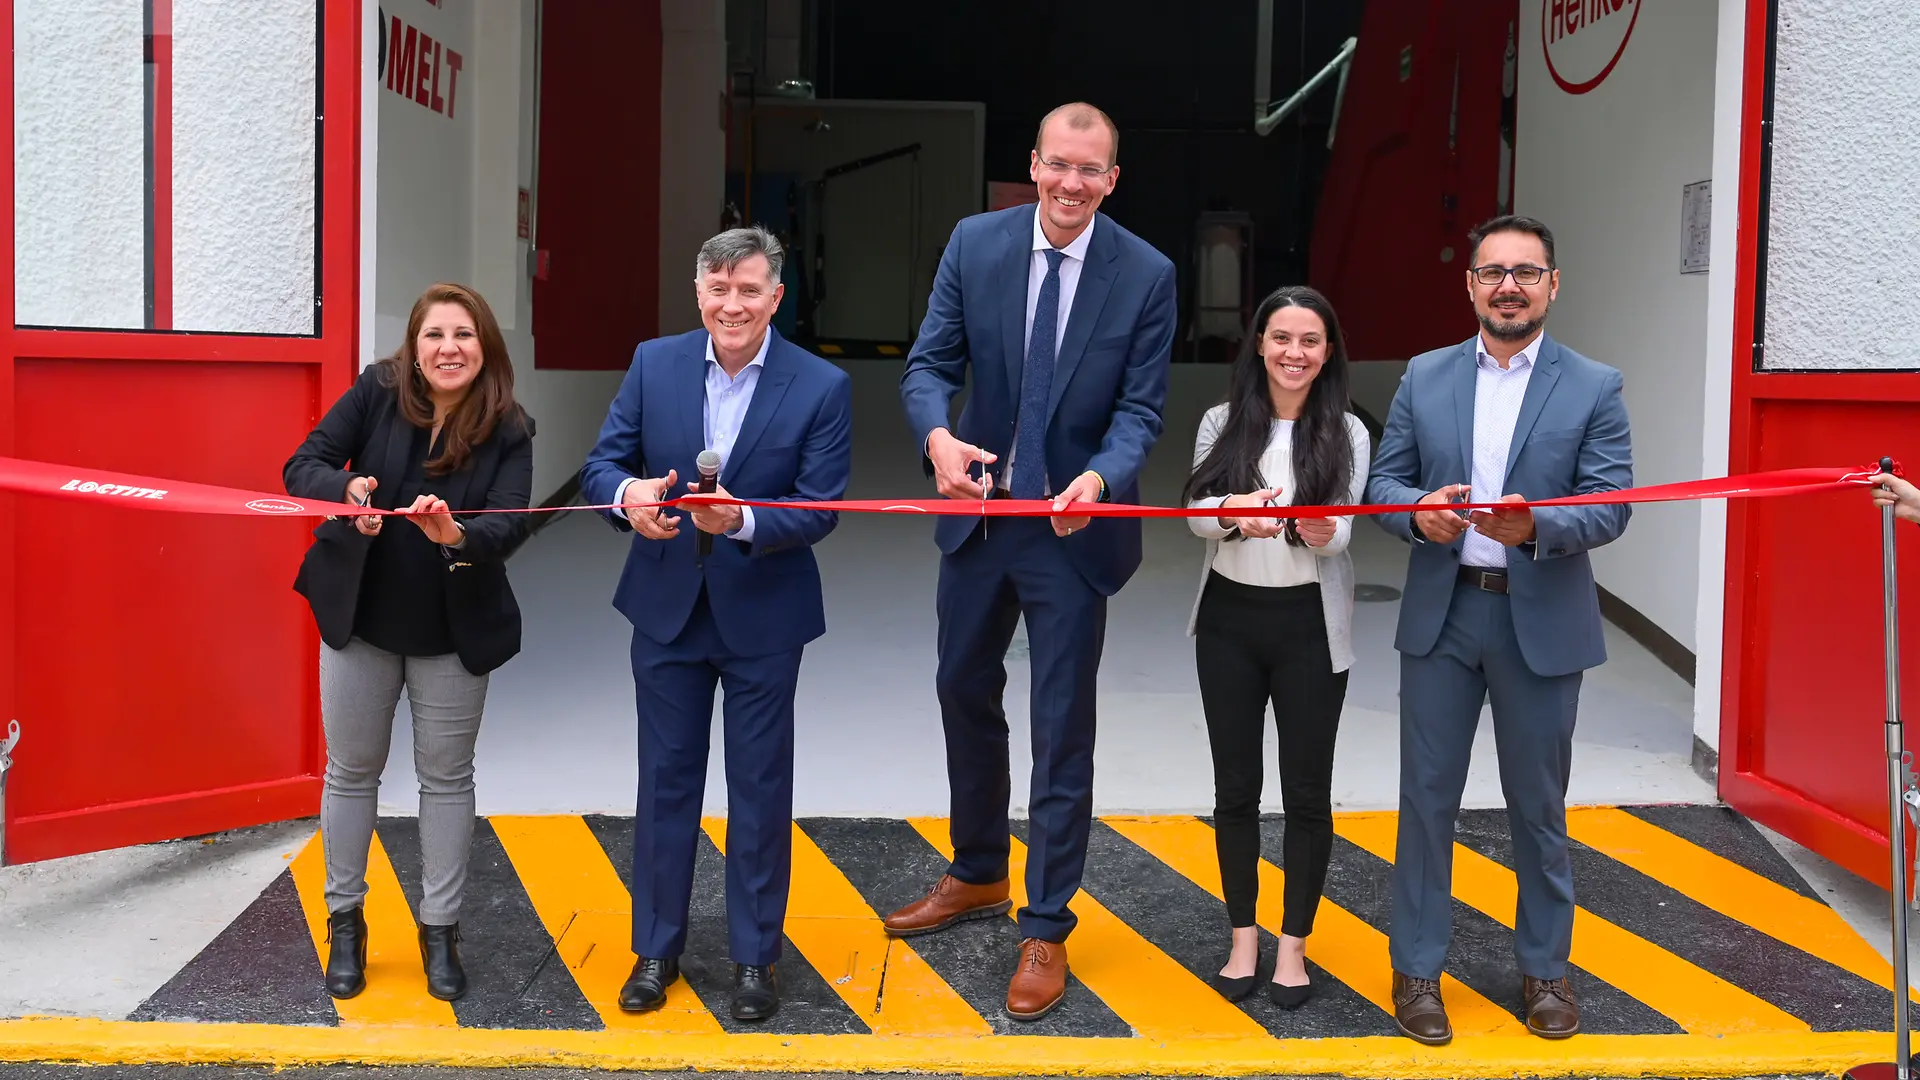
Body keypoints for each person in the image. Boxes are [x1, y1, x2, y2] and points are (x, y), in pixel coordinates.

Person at [889, 101, 1176, 1021]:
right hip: (979, 515)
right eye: (1057, 165)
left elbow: (1142, 410)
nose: (1069, 184)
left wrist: (1102, 475)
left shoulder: (1147, 274)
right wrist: (936, 438)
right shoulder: (977, 244)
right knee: (961, 689)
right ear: (1035, 163)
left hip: (1071, 527)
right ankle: (977, 871)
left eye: (1089, 171)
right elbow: (927, 364)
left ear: (1112, 180)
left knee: (1061, 726)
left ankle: (1046, 925)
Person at [1366, 215, 1632, 1044]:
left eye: (1526, 271)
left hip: (1541, 620)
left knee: (1539, 807)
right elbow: (1384, 480)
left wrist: (1540, 530)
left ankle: (1545, 973)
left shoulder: (1593, 384)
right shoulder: (1425, 374)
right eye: (1493, 272)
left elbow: (1612, 499)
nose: (1508, 286)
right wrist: (1416, 516)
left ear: (1554, 285)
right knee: (1426, 803)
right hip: (1445, 613)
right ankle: (1416, 973)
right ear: (1471, 285)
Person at [579, 226, 853, 1023]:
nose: (732, 304)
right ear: (700, 293)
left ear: (776, 297)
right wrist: (630, 500)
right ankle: (655, 950)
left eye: (749, 290)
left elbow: (821, 507)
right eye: (718, 288)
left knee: (760, 790)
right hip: (665, 610)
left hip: (766, 614)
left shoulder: (821, 385)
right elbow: (603, 464)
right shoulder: (652, 363)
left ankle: (755, 959)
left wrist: (739, 522)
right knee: (665, 786)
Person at [283, 282, 535, 1003]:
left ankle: (440, 930)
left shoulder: (510, 426)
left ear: (484, 347)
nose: (449, 348)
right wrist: (351, 492)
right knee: (352, 772)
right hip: (361, 620)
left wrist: (456, 534)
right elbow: (302, 466)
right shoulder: (377, 391)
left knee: (447, 778)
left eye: (463, 335)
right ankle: (346, 923)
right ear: (414, 349)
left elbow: (510, 523)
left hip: (450, 631)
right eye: (435, 336)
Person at [1180, 285, 1370, 1008]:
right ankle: (1243, 940)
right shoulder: (1222, 422)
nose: (1295, 352)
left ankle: (1293, 948)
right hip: (1229, 622)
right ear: (1259, 343)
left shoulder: (1346, 430)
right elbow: (1197, 515)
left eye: (1310, 341)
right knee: (1235, 791)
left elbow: (1343, 528)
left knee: (1306, 794)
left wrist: (1318, 529)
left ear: (1327, 353)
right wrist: (1234, 513)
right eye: (1282, 338)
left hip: (1308, 629)